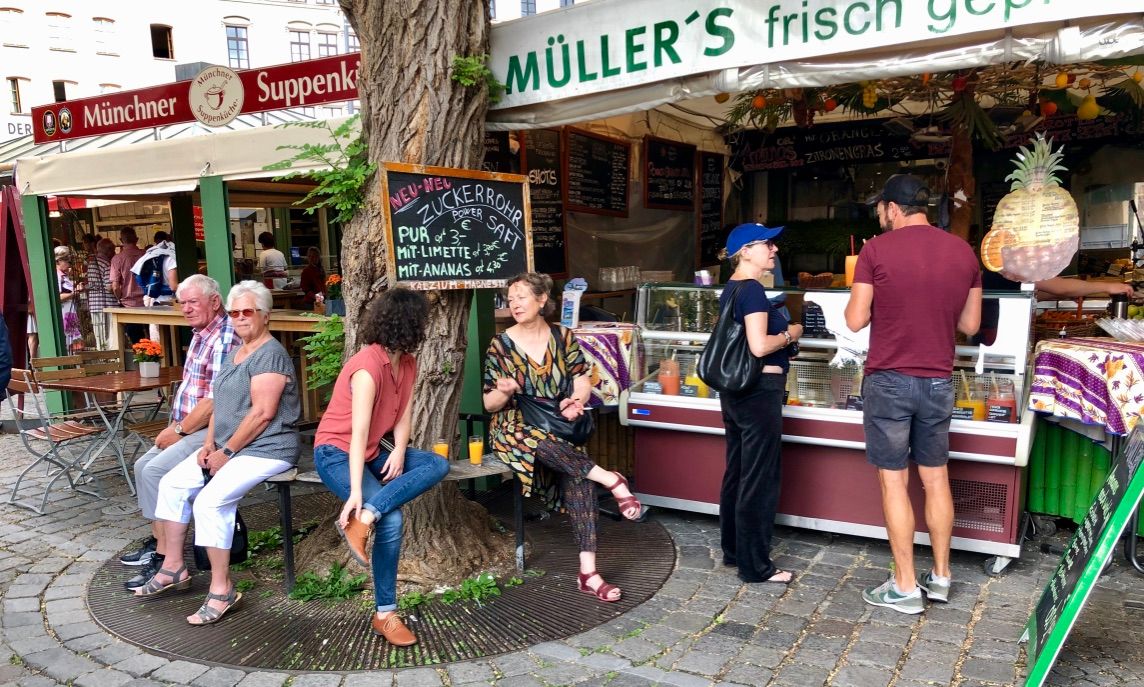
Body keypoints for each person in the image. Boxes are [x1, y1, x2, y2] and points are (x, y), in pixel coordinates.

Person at [844, 174, 982, 614]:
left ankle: (904, 587)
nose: (880, 215)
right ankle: (940, 576)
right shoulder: (963, 251)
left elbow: (854, 320)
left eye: (880, 208)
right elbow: (970, 326)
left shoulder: (875, 250)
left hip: (889, 380)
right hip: (939, 379)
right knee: (936, 478)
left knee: (894, 481)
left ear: (891, 208)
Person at [136, 281, 299, 627]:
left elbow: (262, 414)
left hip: (268, 448)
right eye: (234, 312)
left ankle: (222, 589)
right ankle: (173, 566)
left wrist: (226, 450)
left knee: (209, 501)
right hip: (231, 447)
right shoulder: (234, 352)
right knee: (172, 483)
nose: (239, 318)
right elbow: (219, 404)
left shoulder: (270, 354)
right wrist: (209, 444)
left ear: (265, 316)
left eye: (247, 312)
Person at [483, 272, 641, 603]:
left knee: (579, 477)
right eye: (510, 299)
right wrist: (503, 391)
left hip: (556, 423)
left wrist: (577, 400)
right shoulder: (500, 344)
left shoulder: (563, 336)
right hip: (514, 426)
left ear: (542, 300)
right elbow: (489, 403)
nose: (514, 304)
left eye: (522, 297)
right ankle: (612, 480)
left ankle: (589, 573)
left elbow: (582, 378)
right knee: (548, 447)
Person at [313, 288, 448, 646]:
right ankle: (385, 614)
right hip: (336, 453)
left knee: (436, 463)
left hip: (375, 450)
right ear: (410, 323)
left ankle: (366, 518)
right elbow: (356, 435)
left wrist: (401, 450)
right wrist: (356, 492)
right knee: (394, 518)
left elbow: (402, 415)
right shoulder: (367, 366)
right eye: (421, 319)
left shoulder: (408, 362)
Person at [119, 275, 239, 590]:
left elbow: (218, 400)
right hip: (186, 426)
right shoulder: (202, 333)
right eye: (182, 302)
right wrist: (176, 426)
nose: (185, 308)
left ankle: (166, 560)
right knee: (142, 466)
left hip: (211, 431)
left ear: (215, 302)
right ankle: (160, 540)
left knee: (156, 470)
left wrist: (180, 429)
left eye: (192, 302)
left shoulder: (225, 337)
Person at [715, 223, 802, 585]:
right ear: (745, 251)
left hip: (736, 390)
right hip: (759, 390)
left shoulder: (732, 289)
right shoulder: (751, 291)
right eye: (767, 244)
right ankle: (756, 566)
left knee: (737, 470)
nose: (774, 250)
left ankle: (734, 551)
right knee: (759, 478)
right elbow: (759, 346)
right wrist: (790, 333)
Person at [110, 227, 147, 345]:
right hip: (148, 302)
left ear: (121, 240)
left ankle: (142, 362)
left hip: (129, 305)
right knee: (154, 337)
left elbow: (115, 286)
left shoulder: (117, 259)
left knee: (137, 340)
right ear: (136, 239)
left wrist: (118, 298)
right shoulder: (145, 255)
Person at [85, 239, 118, 351]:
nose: (114, 253)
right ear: (108, 251)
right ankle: (111, 362)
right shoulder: (107, 264)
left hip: (95, 305)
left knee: (100, 337)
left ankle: (102, 361)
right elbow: (109, 287)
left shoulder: (91, 263)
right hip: (107, 305)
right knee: (110, 337)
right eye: (113, 250)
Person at [54, 246, 85, 352]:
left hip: (70, 314)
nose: (69, 263)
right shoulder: (57, 276)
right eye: (66, 260)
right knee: (68, 343)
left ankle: (75, 365)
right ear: (58, 261)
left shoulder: (64, 275)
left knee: (74, 345)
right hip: (64, 314)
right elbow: (57, 297)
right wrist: (74, 292)